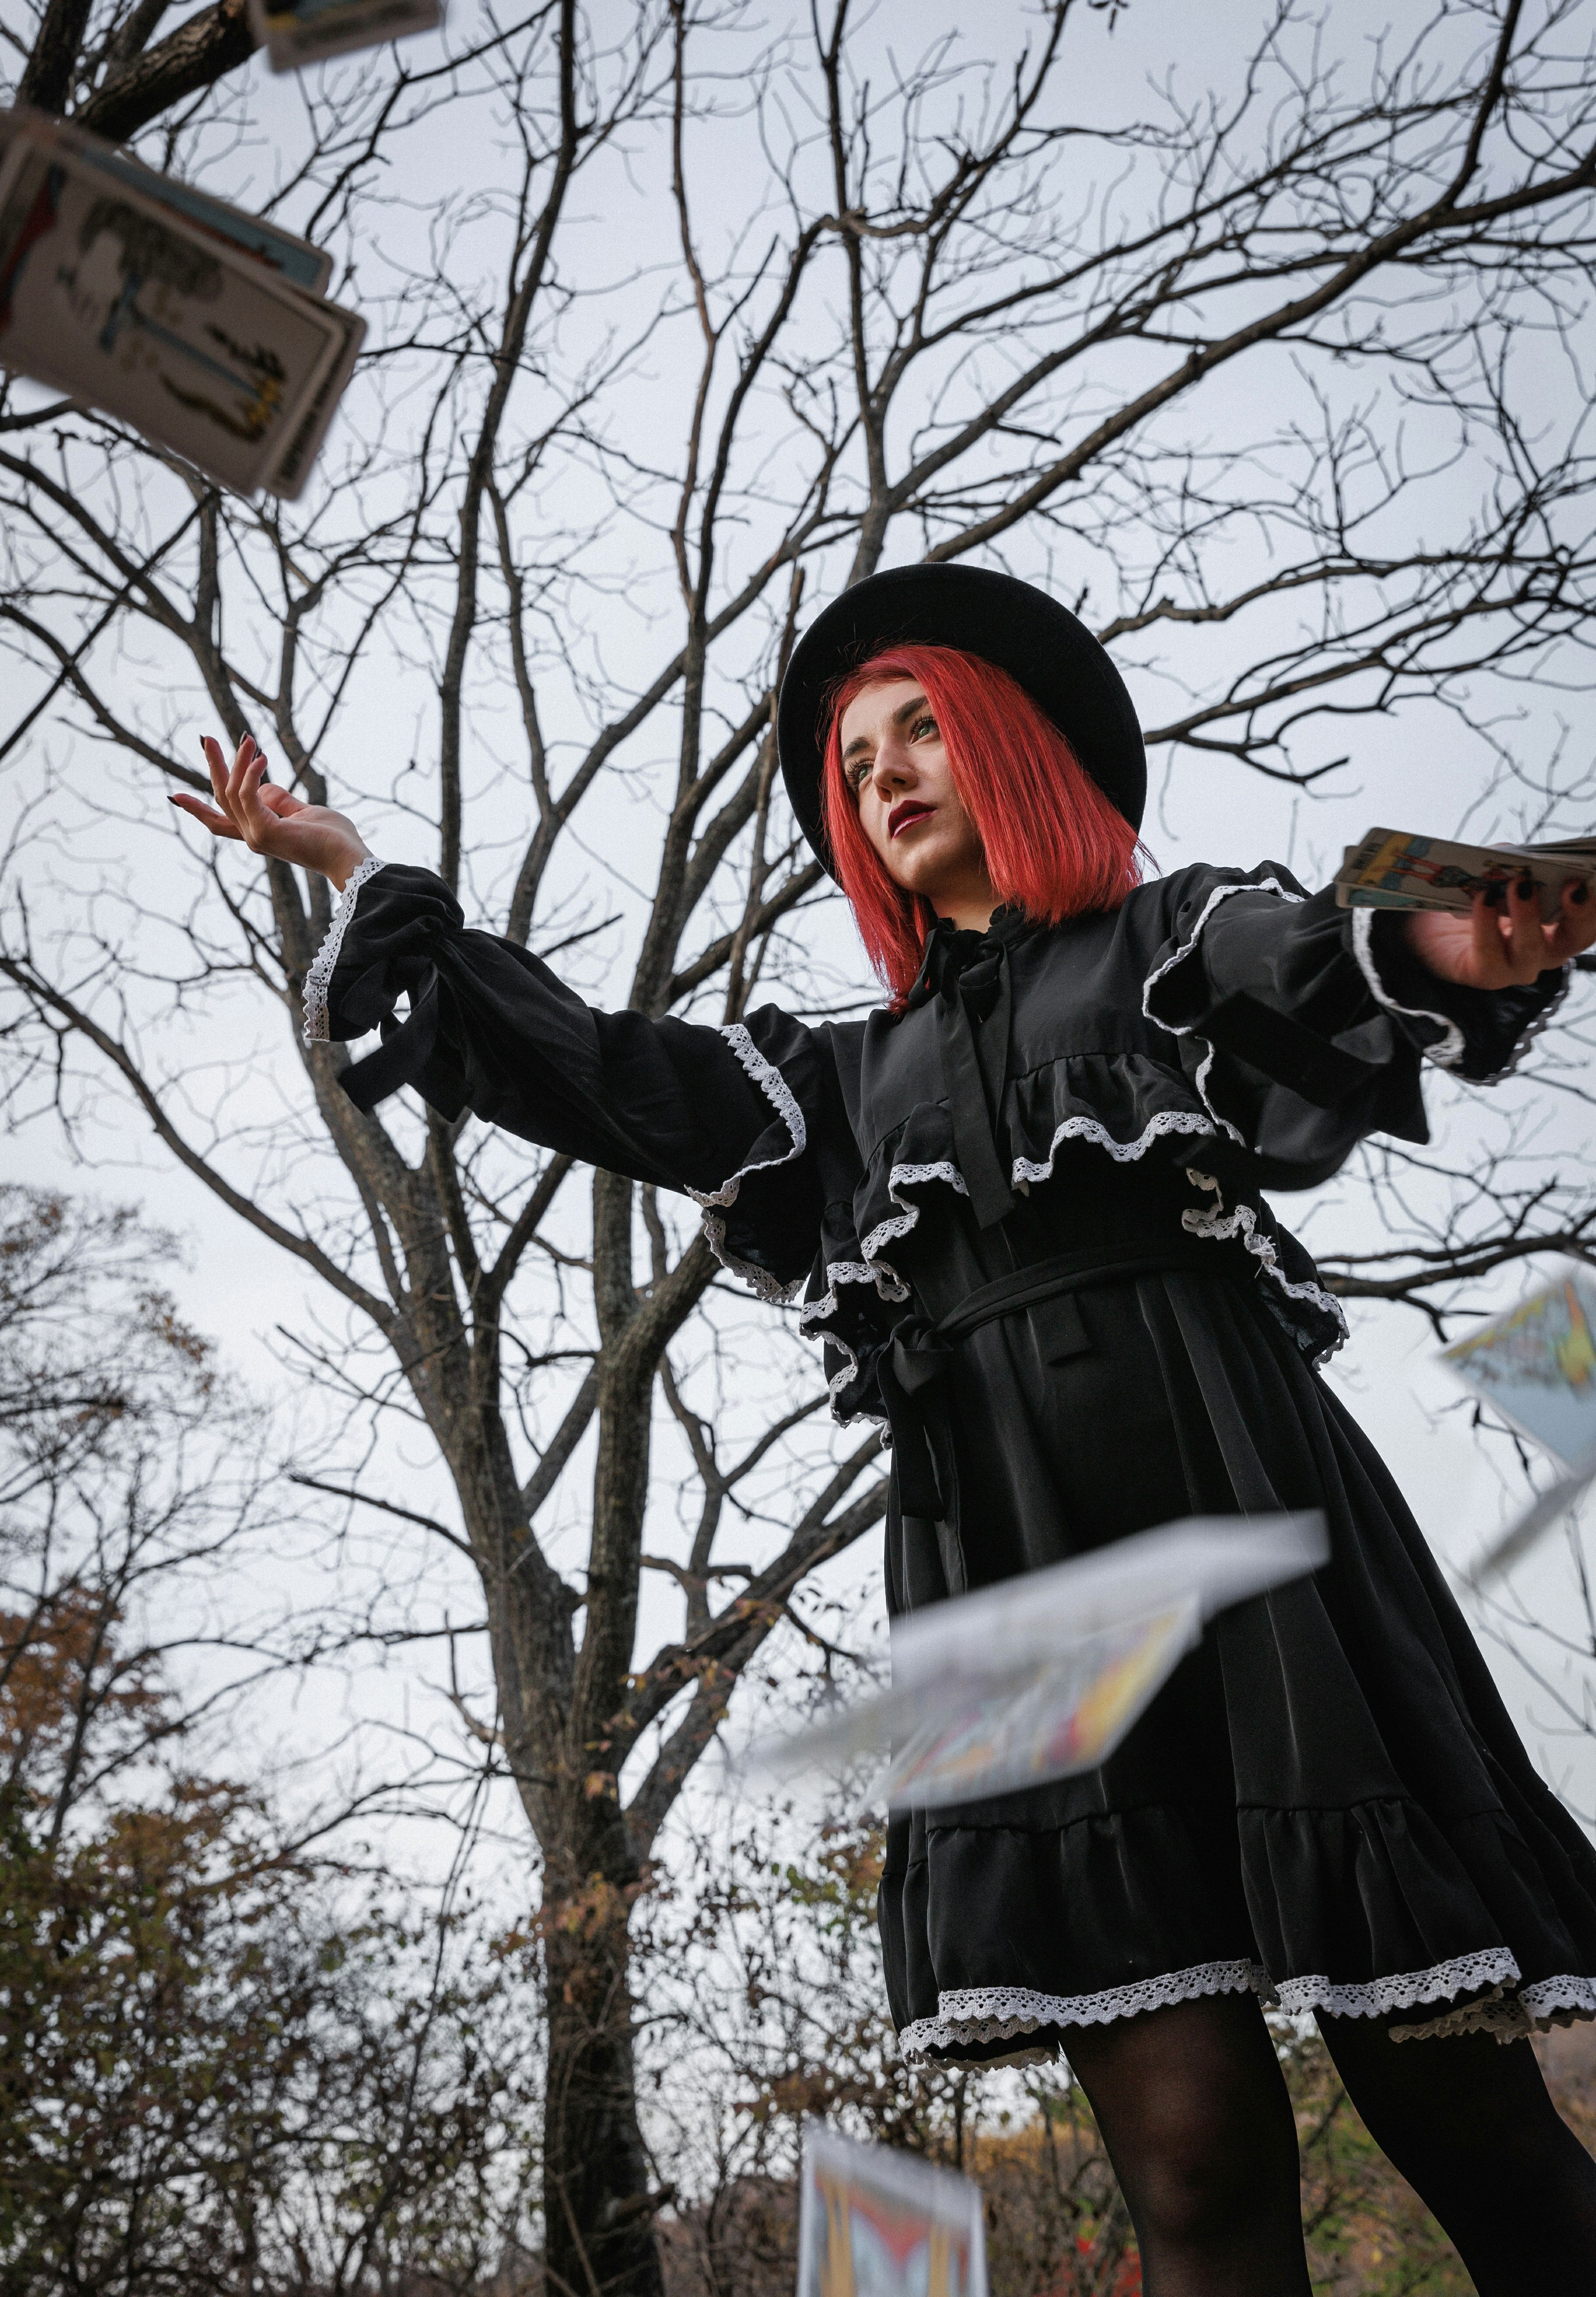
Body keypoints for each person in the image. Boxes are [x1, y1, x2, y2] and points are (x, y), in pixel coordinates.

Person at [173, 562, 1596, 2293]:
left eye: (923, 731)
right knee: (1197, 2164)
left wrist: (1470, 920)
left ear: (1012, 748)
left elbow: (1333, 946)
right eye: (858, 767)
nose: (890, 776)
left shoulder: (1172, 944)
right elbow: (603, 1070)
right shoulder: (833, 1087)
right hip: (1017, 1587)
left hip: (1261, 1553)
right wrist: (355, 874)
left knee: (1463, 2115)